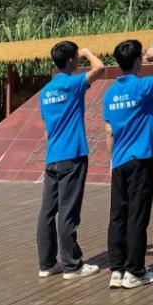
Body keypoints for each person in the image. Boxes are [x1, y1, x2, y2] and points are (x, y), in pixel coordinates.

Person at [36, 41, 105, 280]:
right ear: (70, 61)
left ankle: (47, 264)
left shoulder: (45, 92)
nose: (78, 60)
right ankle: (72, 266)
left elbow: (46, 130)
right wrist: (87, 52)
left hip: (52, 157)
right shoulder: (73, 84)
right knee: (68, 211)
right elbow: (100, 68)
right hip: (72, 155)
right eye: (76, 57)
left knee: (47, 212)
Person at [103, 39, 153, 289]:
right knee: (137, 216)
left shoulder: (110, 93)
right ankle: (135, 271)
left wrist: (112, 160)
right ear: (138, 60)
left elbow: (108, 131)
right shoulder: (142, 86)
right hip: (140, 159)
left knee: (118, 216)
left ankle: (116, 270)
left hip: (119, 161)